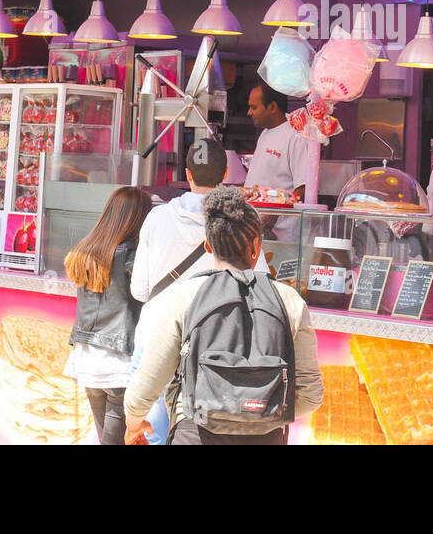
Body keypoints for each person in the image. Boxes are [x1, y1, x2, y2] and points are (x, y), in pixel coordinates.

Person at [123, 186, 322, 445]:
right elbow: (311, 395)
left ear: (208, 245)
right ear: (257, 246)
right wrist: (262, 410)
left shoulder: (182, 297)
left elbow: (146, 386)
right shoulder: (289, 301)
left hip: (194, 435)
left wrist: (134, 423)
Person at [129, 138, 269, 444]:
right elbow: (260, 289)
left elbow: (139, 291)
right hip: (214, 356)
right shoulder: (242, 223)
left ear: (188, 174)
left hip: (154, 339)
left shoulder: (156, 218)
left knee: (150, 438)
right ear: (227, 172)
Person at [63, 186, 152, 445]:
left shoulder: (87, 250)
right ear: (139, 218)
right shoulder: (130, 254)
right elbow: (148, 293)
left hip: (88, 358)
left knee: (108, 440)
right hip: (118, 363)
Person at [244, 82, 308, 239]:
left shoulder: (296, 136)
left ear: (272, 107)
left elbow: (305, 188)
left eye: (254, 107)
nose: (249, 112)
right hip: (256, 228)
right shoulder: (264, 134)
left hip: (283, 235)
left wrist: (277, 212)